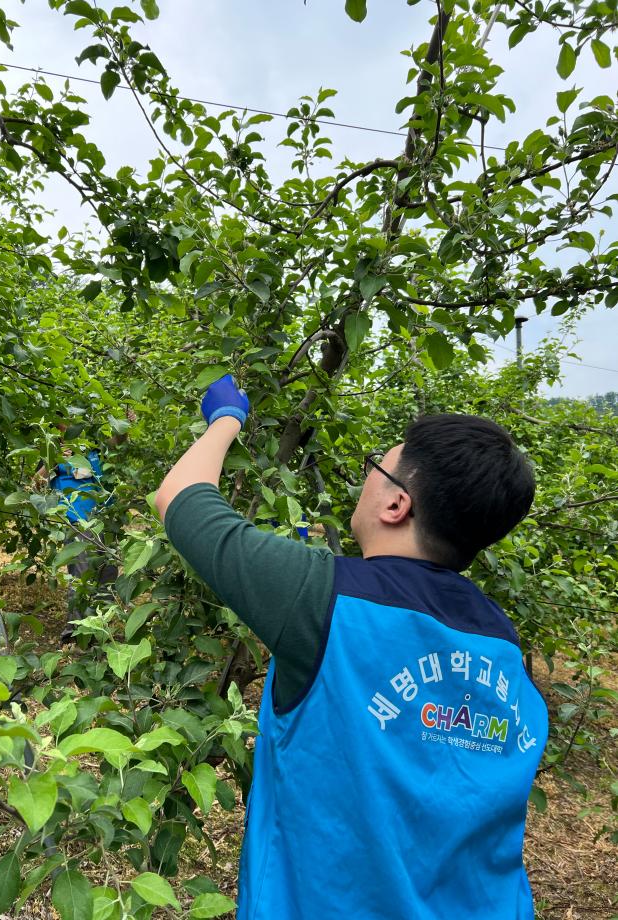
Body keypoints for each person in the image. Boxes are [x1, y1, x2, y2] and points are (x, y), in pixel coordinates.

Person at [153, 374, 548, 920]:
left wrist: (226, 418)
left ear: (396, 503)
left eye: (376, 468)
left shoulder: (322, 598)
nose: (365, 479)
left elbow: (180, 498)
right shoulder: (503, 641)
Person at [36, 413, 134, 642]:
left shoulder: (93, 445)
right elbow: (36, 484)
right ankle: (75, 634)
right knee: (81, 576)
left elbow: (118, 441)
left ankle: (100, 631)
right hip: (77, 521)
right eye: (64, 423)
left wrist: (124, 423)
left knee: (108, 573)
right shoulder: (53, 450)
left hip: (105, 519)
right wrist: (54, 461)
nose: (70, 426)